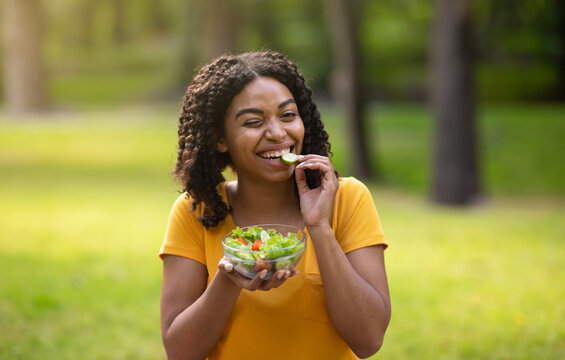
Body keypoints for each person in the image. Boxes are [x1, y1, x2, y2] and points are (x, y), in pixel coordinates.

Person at [159, 51, 390, 360]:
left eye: (288, 115)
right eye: (254, 122)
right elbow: (180, 352)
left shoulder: (347, 198)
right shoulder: (196, 210)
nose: (278, 134)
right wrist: (228, 279)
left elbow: (369, 340)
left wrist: (320, 228)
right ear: (220, 139)